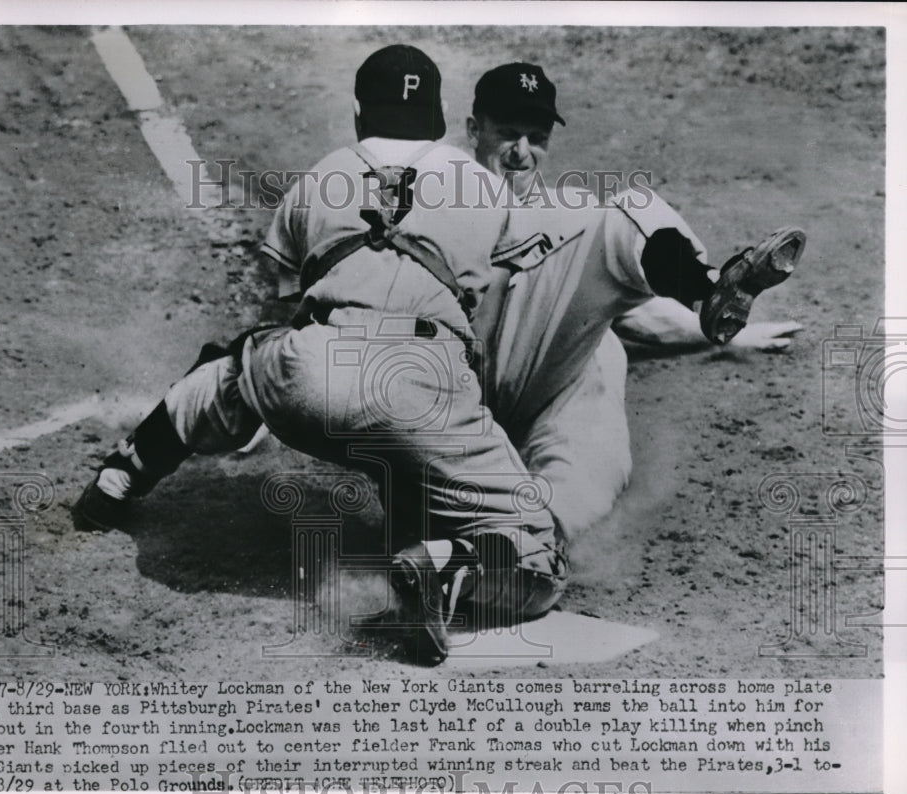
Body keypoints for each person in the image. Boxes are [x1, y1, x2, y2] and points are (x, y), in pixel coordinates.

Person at [74, 45, 570, 666]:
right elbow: (503, 302)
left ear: (361, 112)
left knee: (234, 369)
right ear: (442, 116)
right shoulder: (486, 186)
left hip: (307, 384)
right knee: (539, 559)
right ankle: (444, 568)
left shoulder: (321, 174)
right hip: (422, 390)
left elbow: (277, 301)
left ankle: (121, 477)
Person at [464, 62, 806, 544]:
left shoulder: (565, 219)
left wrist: (718, 326)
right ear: (474, 130)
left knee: (606, 340)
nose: (522, 153)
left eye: (536, 138)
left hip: (539, 388)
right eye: (508, 134)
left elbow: (636, 311)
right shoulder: (434, 205)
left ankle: (528, 543)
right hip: (454, 398)